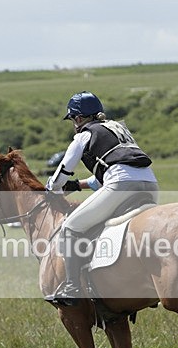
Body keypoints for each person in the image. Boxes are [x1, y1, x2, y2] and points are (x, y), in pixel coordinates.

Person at [45, 91, 158, 305]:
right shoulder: (118, 128)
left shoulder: (84, 134)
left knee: (70, 228)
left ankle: (72, 287)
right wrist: (78, 185)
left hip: (121, 186)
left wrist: (51, 188)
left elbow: (61, 175)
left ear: (78, 118)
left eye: (72, 120)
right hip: (150, 184)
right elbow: (114, 167)